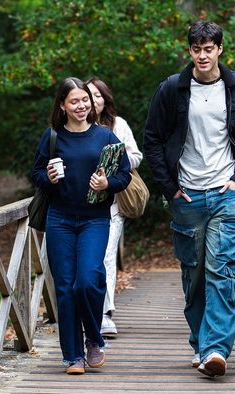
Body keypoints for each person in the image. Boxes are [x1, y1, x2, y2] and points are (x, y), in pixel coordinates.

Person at [143, 20, 235, 378]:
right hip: (187, 196)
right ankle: (200, 342)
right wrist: (170, 188)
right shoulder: (173, 89)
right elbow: (152, 140)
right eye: (197, 49)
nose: (203, 55)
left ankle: (216, 350)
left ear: (220, 49)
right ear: (190, 51)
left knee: (221, 270)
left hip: (225, 194)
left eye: (209, 48)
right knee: (193, 273)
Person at [31, 77, 131, 375]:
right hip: (59, 219)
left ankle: (94, 339)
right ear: (62, 105)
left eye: (85, 100)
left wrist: (107, 183)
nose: (81, 105)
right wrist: (47, 177)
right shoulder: (52, 137)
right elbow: (35, 173)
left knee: (87, 280)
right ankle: (72, 356)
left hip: (94, 219)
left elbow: (124, 175)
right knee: (64, 288)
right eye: (74, 101)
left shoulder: (105, 137)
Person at [85, 77, 144, 337]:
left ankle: (105, 313)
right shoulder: (74, 127)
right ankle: (87, 311)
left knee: (106, 257)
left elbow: (136, 157)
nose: (93, 100)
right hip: (81, 204)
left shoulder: (118, 125)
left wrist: (114, 162)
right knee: (88, 260)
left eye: (98, 95)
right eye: (88, 95)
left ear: (105, 99)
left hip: (112, 204)